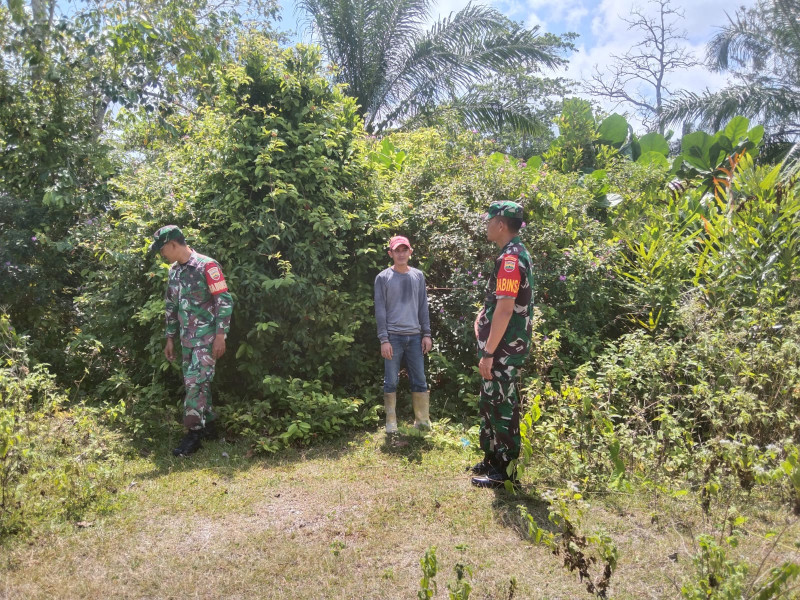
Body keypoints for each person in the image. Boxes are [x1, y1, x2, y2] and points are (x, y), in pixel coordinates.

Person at [149, 225, 233, 456]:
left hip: (207, 339)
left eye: (162, 249)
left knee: (194, 384)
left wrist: (220, 336)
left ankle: (193, 434)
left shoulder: (207, 266)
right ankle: (209, 425)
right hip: (186, 340)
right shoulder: (174, 271)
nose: (161, 254)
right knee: (198, 382)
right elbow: (171, 306)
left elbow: (224, 301)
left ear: (173, 244)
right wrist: (169, 338)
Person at [470, 201, 534, 488]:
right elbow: (500, 305)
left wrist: (489, 353)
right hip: (500, 346)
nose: (486, 226)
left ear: (500, 224)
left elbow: (506, 310)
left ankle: (505, 472)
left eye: (489, 221)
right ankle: (493, 459)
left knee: (502, 405)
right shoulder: (514, 253)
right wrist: (483, 317)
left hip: (503, 350)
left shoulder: (510, 259)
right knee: (490, 400)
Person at [374, 235, 433, 433]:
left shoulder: (418, 276)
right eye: (397, 251)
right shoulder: (383, 278)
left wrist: (427, 334)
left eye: (404, 250)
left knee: (420, 379)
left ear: (410, 252)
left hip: (415, 337)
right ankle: (391, 422)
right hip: (393, 337)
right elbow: (380, 311)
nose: (401, 254)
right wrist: (384, 339)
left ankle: (422, 422)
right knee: (391, 380)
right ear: (390, 253)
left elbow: (423, 306)